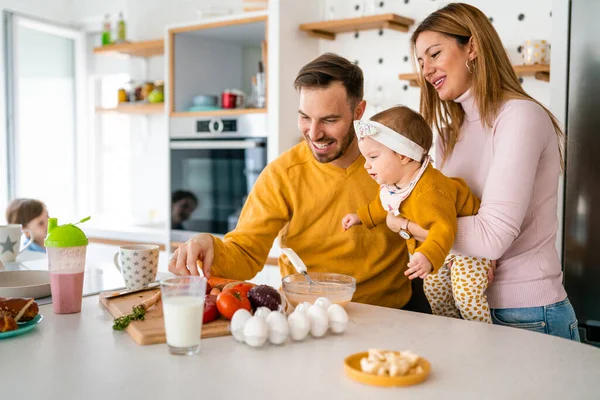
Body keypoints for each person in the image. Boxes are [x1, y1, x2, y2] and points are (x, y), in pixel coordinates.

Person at [169, 53, 412, 309]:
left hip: (389, 314)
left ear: (358, 112)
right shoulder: (283, 174)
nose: (314, 133)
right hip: (305, 314)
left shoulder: (397, 162)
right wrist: (211, 246)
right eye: (305, 117)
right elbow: (245, 252)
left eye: (329, 120)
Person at [396, 3, 578, 340]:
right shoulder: (451, 132)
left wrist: (408, 224)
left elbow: (490, 239)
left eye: (435, 54)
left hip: (526, 314)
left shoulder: (520, 117)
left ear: (473, 47)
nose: (426, 69)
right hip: (465, 307)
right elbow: (447, 217)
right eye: (421, 62)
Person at [342, 106, 493, 323]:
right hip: (436, 246)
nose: (366, 166)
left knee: (466, 295)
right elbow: (383, 205)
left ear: (403, 156)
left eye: (373, 157)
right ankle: (450, 330)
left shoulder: (429, 191)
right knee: (435, 292)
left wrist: (426, 256)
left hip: (466, 250)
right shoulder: (394, 184)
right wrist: (360, 217)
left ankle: (482, 335)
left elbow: (444, 228)